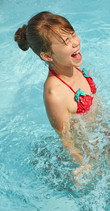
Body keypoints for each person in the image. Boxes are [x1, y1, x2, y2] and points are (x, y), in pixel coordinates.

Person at [14, 11, 98, 177]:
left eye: (73, 34)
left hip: (97, 138)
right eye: (66, 41)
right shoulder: (55, 93)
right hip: (84, 151)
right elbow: (66, 139)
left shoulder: (74, 66)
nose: (75, 43)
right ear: (47, 56)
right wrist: (83, 164)